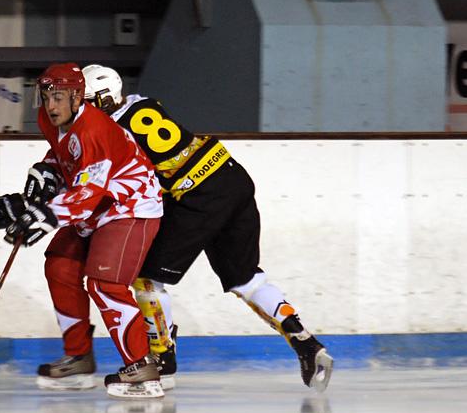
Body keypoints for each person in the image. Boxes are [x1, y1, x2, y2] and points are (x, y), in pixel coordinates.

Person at [81, 64, 333, 392]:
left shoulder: (111, 131)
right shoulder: (145, 103)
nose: (81, 108)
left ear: (102, 99)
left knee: (145, 278)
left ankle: (161, 358)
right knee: (247, 279)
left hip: (198, 195)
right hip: (231, 176)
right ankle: (306, 343)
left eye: (85, 101)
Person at [0, 62, 166, 399]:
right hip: (97, 206)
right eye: (46, 96)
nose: (51, 105)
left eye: (59, 97)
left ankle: (142, 366)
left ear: (79, 98)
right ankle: (79, 357)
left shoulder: (96, 130)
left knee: (105, 282)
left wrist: (41, 215)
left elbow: (87, 195)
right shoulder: (52, 120)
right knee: (60, 264)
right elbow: (64, 157)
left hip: (129, 206)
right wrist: (41, 177)